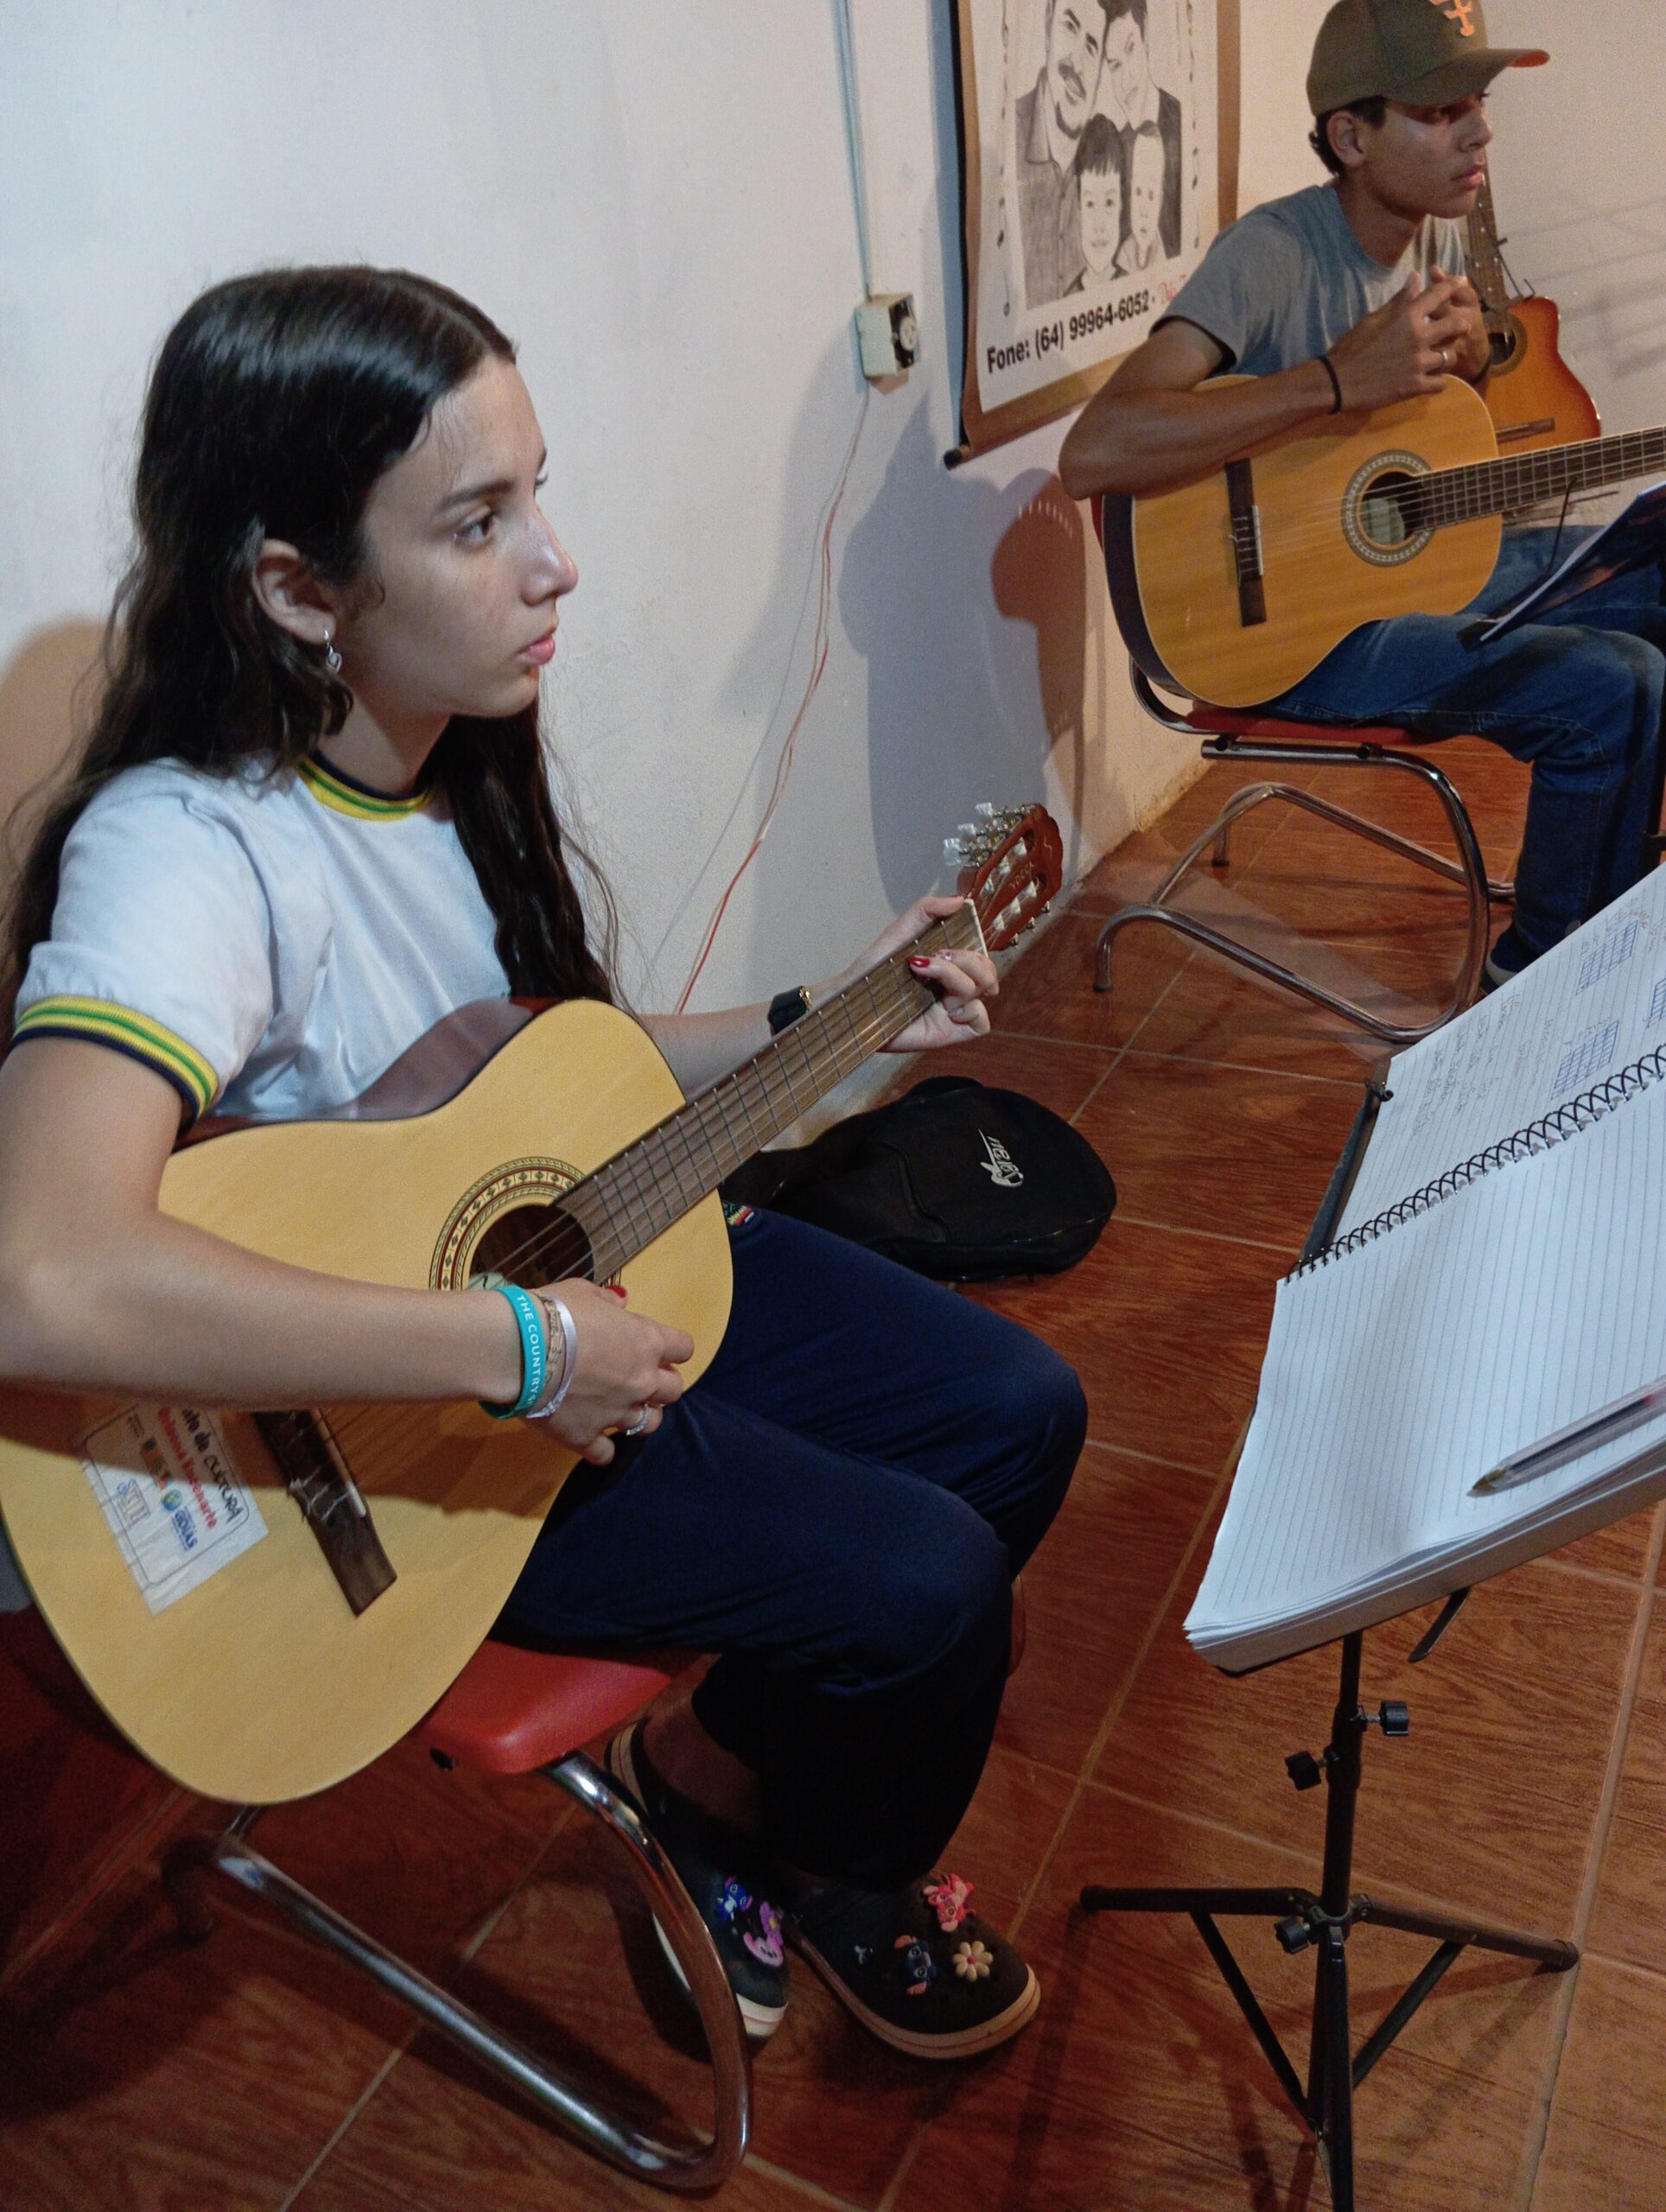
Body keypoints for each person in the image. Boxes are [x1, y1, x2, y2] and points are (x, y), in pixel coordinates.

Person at [0, 268, 1086, 2057]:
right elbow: (42, 1274)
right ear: (296, 586)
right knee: (929, 1584)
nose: (555, 563)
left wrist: (831, 1014)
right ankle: (831, 1859)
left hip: (546, 1321)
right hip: (395, 1442)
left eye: (538, 496)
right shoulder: (186, 850)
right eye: (477, 522)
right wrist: (517, 1348)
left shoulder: (447, 763)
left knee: (1019, 1412)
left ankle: (724, 1785)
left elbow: (538, 1085)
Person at [1061, 0, 1666, 988]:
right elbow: (1094, 451)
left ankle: (1613, 908)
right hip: (1286, 636)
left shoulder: (1430, 242)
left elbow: (1405, 450)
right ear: (1350, 137)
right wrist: (1332, 381)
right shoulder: (1270, 255)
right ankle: (1538, 980)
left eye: (1476, 101)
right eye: (1438, 110)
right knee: (1611, 683)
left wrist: (1466, 371)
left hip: (1402, 579)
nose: (1477, 130)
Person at [1014, 0, 1110, 308]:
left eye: (1092, 48)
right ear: (1047, 28)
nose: (1077, 64)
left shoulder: (1107, 163)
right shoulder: (1008, 144)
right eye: (1070, 27)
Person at [1100, 0, 1181, 259]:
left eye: (1131, 48)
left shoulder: (1181, 123)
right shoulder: (1116, 149)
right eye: (1115, 65)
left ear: (1145, 33)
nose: (1127, 78)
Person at [1069, 113, 1127, 289]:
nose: (1099, 225)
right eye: (1090, 204)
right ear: (1078, 210)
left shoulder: (1133, 284)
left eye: (1109, 203)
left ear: (1121, 206)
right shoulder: (1070, 296)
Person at [1118, 119, 1167, 273]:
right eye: (1138, 192)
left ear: (1160, 200)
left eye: (1151, 195)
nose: (1143, 211)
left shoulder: (1163, 261)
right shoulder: (1122, 258)